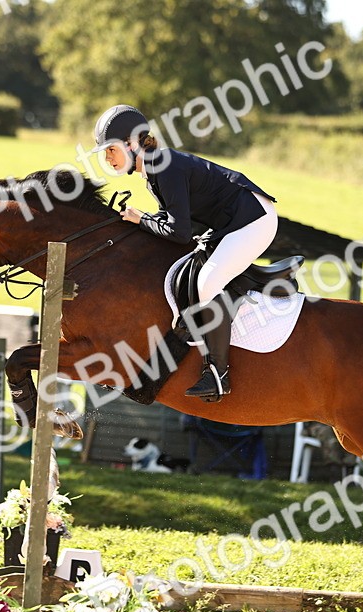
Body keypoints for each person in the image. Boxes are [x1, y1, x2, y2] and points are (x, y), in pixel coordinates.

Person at [92, 104, 278, 402]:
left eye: (111, 150)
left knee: (206, 284)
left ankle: (218, 374)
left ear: (132, 143)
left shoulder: (163, 166)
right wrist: (142, 222)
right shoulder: (153, 169)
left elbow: (179, 233)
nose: (107, 158)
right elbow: (174, 225)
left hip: (253, 219)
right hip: (230, 223)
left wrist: (142, 220)